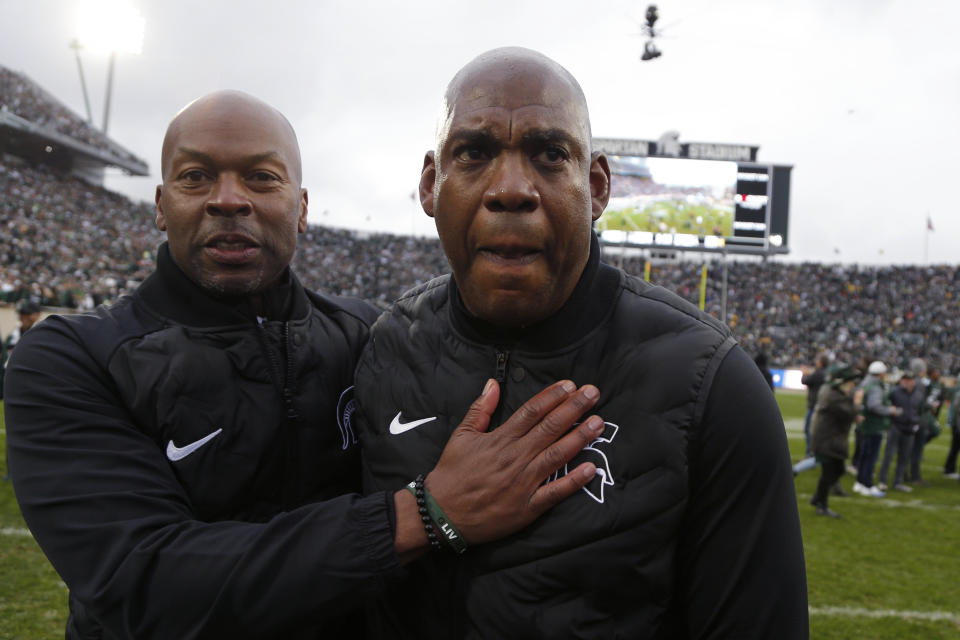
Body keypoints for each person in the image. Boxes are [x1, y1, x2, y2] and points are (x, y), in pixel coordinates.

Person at [3, 90, 607, 639]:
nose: (229, 200)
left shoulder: (371, 335)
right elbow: (142, 580)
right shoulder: (72, 359)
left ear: (302, 208)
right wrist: (424, 513)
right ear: (161, 205)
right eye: (196, 177)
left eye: (262, 178)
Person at [357, 47, 808, 639]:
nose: (511, 189)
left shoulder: (710, 383)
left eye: (549, 155)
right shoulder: (384, 350)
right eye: (474, 153)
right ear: (430, 185)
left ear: (596, 187)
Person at [808, 363, 863, 518]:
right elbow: (849, 413)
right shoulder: (834, 396)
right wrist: (857, 403)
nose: (852, 385)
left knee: (838, 470)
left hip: (831, 440)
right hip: (827, 441)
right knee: (829, 473)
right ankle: (821, 504)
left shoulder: (834, 393)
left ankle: (818, 498)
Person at [854, 360, 897, 497]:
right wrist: (890, 410)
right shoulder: (875, 386)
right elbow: (875, 406)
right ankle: (867, 484)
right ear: (881, 373)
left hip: (865, 425)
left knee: (863, 454)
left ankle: (860, 482)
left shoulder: (865, 383)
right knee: (871, 457)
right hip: (873, 426)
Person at [876, 369, 918, 492]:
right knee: (888, 455)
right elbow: (885, 404)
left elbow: (920, 409)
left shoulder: (918, 393)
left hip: (910, 428)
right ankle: (883, 480)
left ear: (913, 381)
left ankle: (898, 482)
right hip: (896, 426)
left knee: (904, 457)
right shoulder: (894, 392)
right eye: (905, 379)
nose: (906, 382)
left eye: (909, 380)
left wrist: (917, 422)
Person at [0, 299, 42, 400]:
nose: (24, 317)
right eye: (22, 314)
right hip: (9, 382)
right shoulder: (13, 336)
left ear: (37, 315)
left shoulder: (41, 335)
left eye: (28, 314)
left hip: (31, 384)